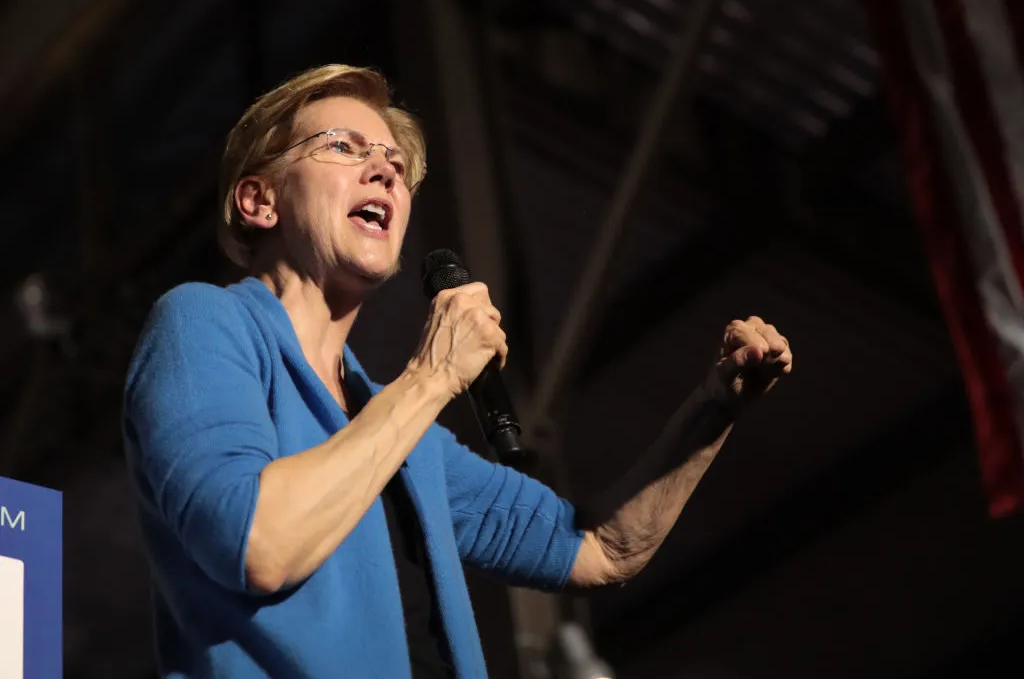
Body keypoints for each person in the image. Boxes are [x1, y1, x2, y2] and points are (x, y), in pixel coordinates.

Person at [122, 63, 793, 679]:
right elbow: (258, 542)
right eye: (343, 146)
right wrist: (432, 377)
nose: (384, 172)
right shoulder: (202, 323)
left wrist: (716, 408)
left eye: (394, 163)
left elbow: (602, 548)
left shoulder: (404, 433)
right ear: (258, 200)